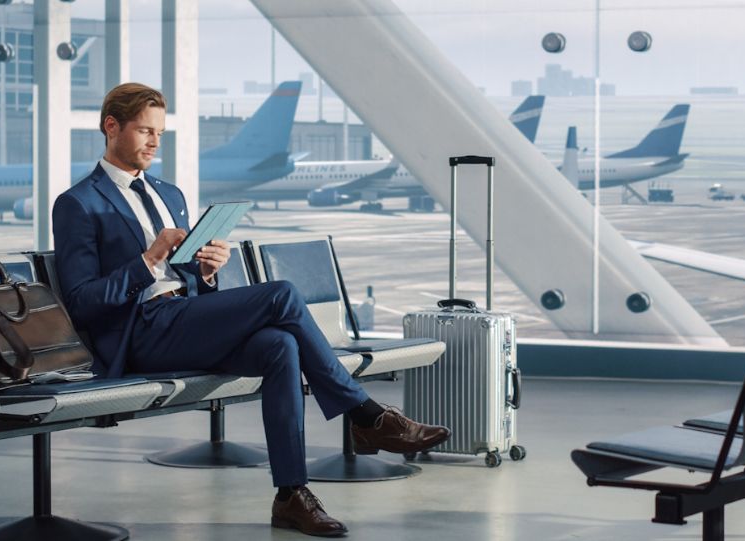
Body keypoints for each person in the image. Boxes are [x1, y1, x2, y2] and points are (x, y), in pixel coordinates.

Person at [52, 82, 449, 538]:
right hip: (139, 334)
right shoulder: (78, 204)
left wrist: (206, 272)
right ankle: (366, 415)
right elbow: (82, 303)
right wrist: (148, 260)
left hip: (183, 321)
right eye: (144, 131)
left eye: (159, 133)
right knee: (279, 295)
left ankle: (291, 496)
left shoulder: (169, 194)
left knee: (279, 346)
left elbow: (188, 282)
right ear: (110, 127)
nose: (154, 143)